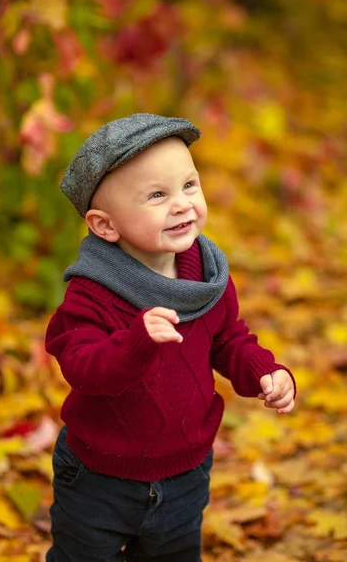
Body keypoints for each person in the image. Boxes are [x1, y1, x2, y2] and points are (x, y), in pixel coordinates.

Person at [45, 113, 296, 562]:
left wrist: (264, 370)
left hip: (185, 473)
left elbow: (228, 338)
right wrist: (135, 342)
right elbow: (81, 367)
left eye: (189, 185)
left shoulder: (207, 278)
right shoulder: (91, 292)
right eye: (157, 195)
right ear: (105, 226)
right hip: (98, 476)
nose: (181, 204)